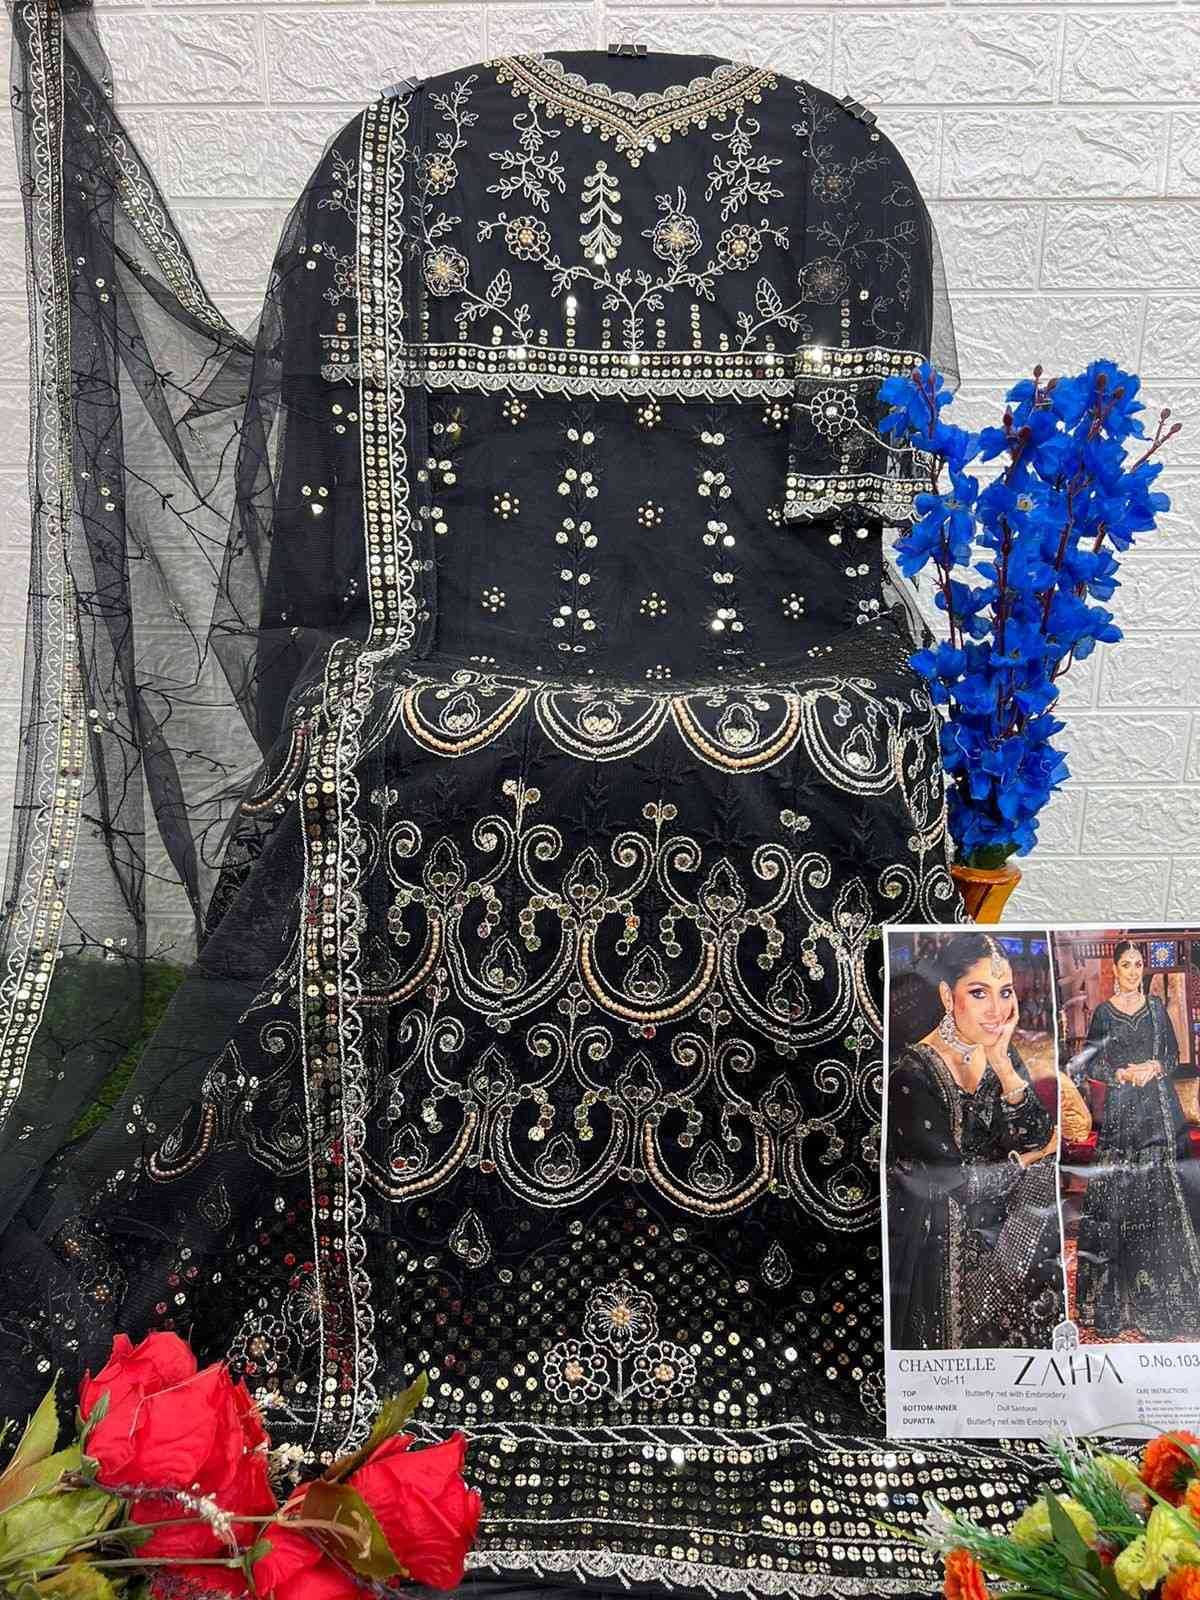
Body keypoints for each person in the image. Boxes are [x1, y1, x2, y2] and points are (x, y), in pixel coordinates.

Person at [888, 931, 1063, 1350]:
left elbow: (1041, 1135)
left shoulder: (1001, 1053)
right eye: (979, 992)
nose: (997, 1010)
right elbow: (956, 1181)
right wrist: (1025, 1161)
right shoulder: (912, 1072)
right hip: (939, 1235)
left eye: (1005, 992)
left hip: (1004, 1221)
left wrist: (1003, 1064)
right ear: (947, 996)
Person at [1072, 941, 1200, 1340]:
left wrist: (1155, 1066)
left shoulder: (1157, 1008)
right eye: (1126, 964)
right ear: (1114, 969)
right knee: (1121, 1198)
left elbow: (1172, 1053)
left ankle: (1173, 1301)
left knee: (1165, 1196)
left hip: (1159, 1112)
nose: (1132, 970)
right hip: (1122, 1114)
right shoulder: (1103, 1013)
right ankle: (1123, 1304)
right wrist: (1121, 1074)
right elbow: (1091, 1062)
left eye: (1138, 964)